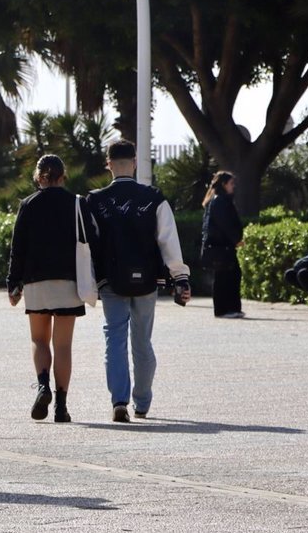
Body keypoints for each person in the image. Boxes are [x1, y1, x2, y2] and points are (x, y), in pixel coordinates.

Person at [87, 139, 190, 423]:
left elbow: (89, 245)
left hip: (111, 281)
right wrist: (180, 276)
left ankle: (119, 401)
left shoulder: (94, 201)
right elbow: (168, 239)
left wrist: (90, 282)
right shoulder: (153, 198)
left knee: (114, 339)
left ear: (108, 164)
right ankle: (142, 402)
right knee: (142, 341)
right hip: (147, 280)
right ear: (134, 163)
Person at [7, 155, 97, 423]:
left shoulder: (28, 204)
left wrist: (13, 283)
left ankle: (43, 385)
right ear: (63, 175)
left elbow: (18, 247)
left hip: (36, 281)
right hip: (69, 281)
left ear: (38, 177)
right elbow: (92, 239)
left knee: (39, 339)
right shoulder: (77, 203)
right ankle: (61, 406)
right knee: (63, 345)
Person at [201, 171, 245, 318]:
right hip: (221, 247)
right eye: (231, 183)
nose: (233, 186)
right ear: (224, 184)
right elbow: (225, 224)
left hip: (225, 246)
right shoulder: (219, 202)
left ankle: (233, 308)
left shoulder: (221, 201)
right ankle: (223, 309)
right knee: (223, 277)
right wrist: (235, 239)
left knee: (232, 275)